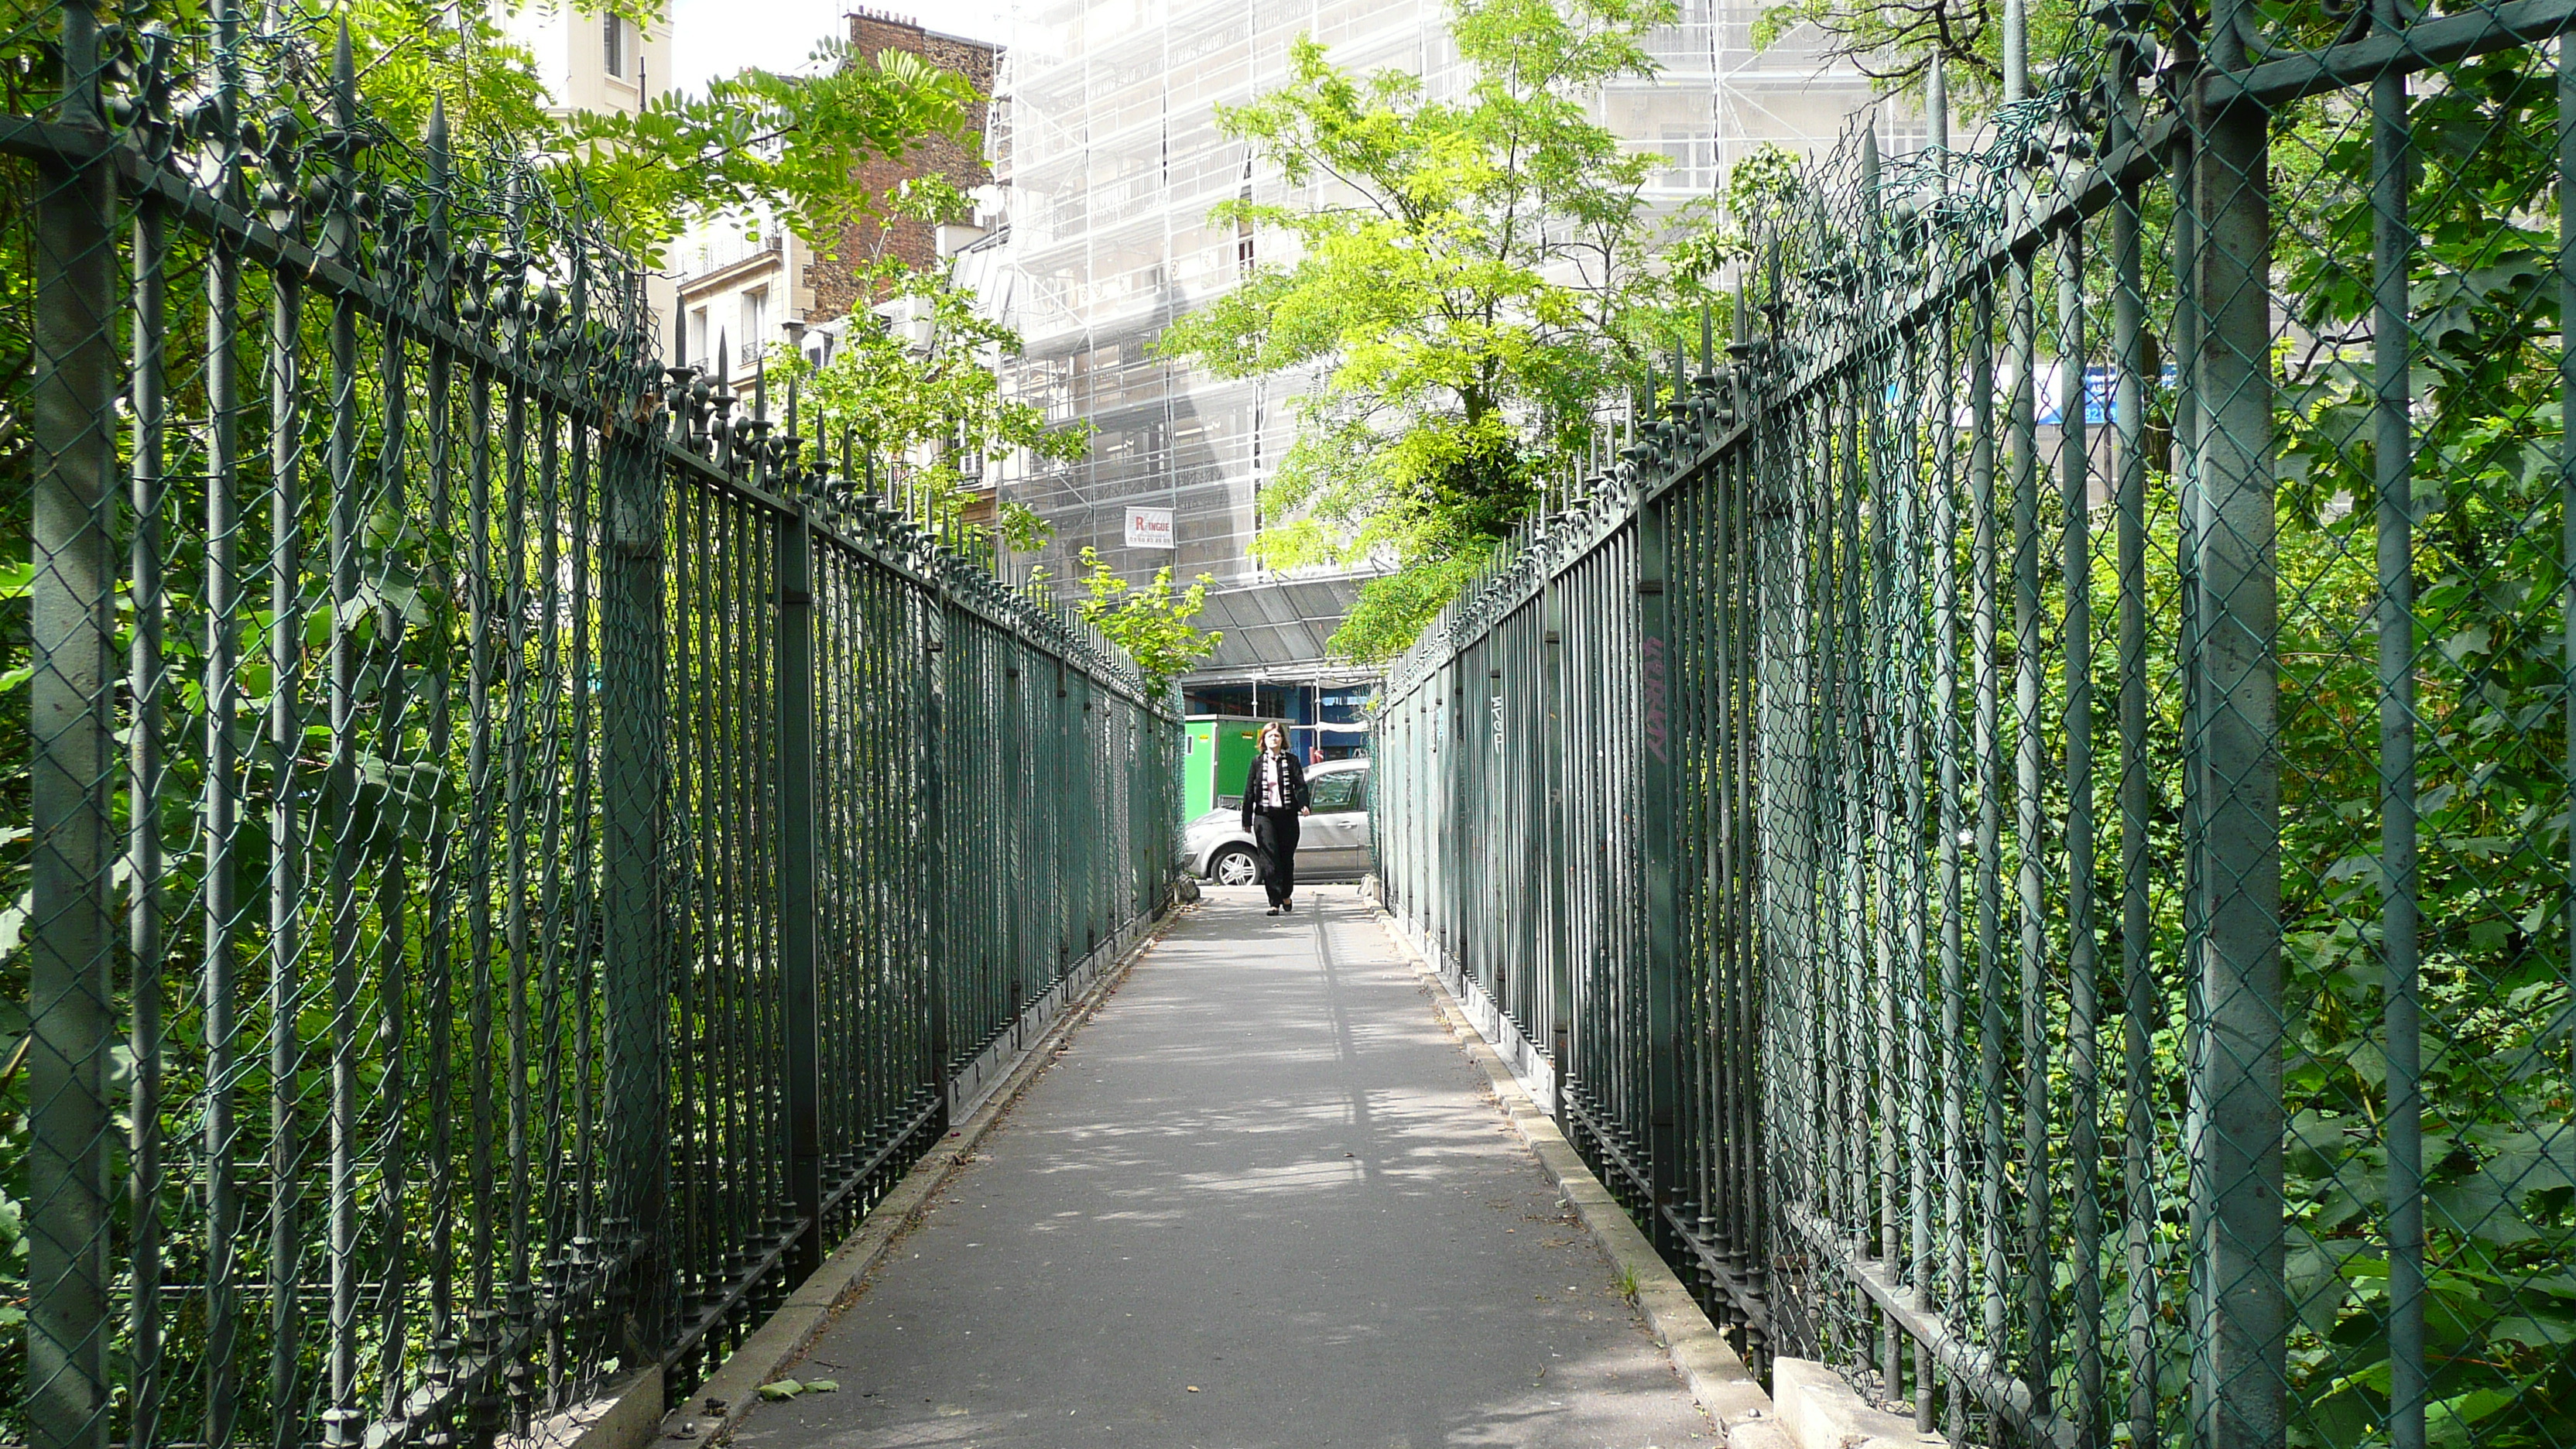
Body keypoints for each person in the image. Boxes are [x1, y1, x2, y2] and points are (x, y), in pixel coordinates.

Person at [1238, 722, 1310, 915]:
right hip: (1264, 816)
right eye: (1270, 736)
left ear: (1282, 740)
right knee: (1269, 860)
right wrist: (1246, 818)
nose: (1274, 739)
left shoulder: (1292, 761)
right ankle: (1274, 902)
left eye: (1277, 736)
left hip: (1287, 816)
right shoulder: (1257, 762)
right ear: (1263, 740)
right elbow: (1248, 791)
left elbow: (1301, 785)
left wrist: (1304, 804)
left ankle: (1286, 894)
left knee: (1286, 858)